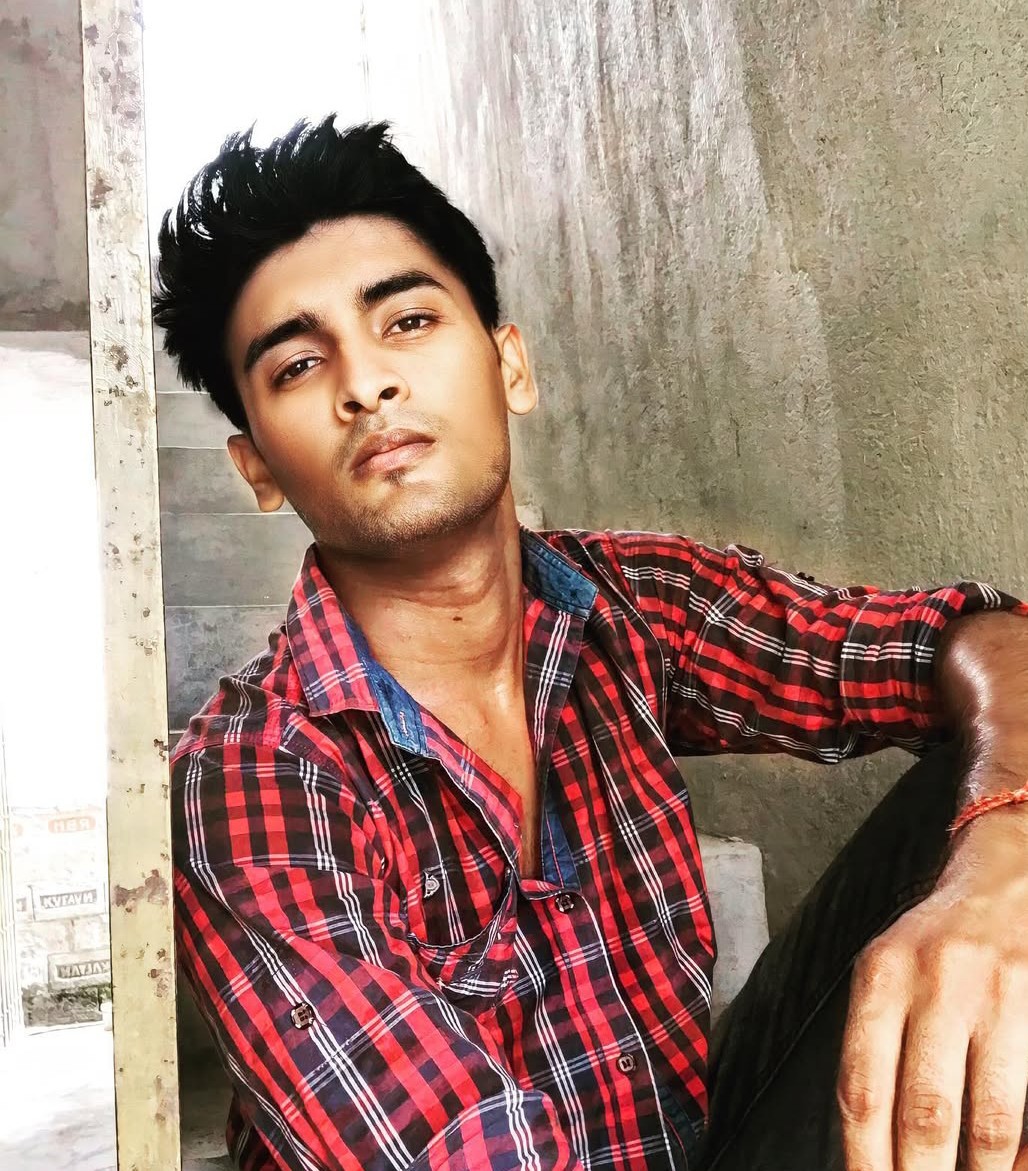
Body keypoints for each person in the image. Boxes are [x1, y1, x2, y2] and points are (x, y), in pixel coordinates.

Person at [155, 116, 1028, 1171]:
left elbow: (956, 639)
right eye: (299, 364)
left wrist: (1001, 856)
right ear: (256, 468)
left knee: (990, 803)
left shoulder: (629, 604)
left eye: (408, 321)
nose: (365, 384)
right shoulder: (252, 775)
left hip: (692, 1144)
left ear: (509, 367)